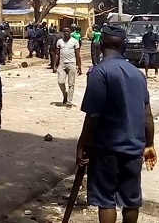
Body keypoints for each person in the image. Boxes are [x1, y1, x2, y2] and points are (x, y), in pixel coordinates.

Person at [76, 25, 157, 223]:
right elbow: (147, 115)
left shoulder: (99, 72)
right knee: (131, 200)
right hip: (134, 148)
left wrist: (83, 144)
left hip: (106, 148)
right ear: (123, 46)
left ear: (101, 44)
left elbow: (93, 116)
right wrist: (149, 144)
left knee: (106, 200)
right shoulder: (138, 74)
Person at [54, 27, 82, 105]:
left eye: (67, 31)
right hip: (62, 64)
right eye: (64, 31)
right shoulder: (59, 41)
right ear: (62, 32)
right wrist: (54, 65)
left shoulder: (74, 42)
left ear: (70, 32)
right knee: (60, 82)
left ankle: (69, 100)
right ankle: (65, 94)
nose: (66, 33)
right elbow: (57, 54)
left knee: (71, 83)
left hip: (71, 64)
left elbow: (78, 55)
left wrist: (79, 66)